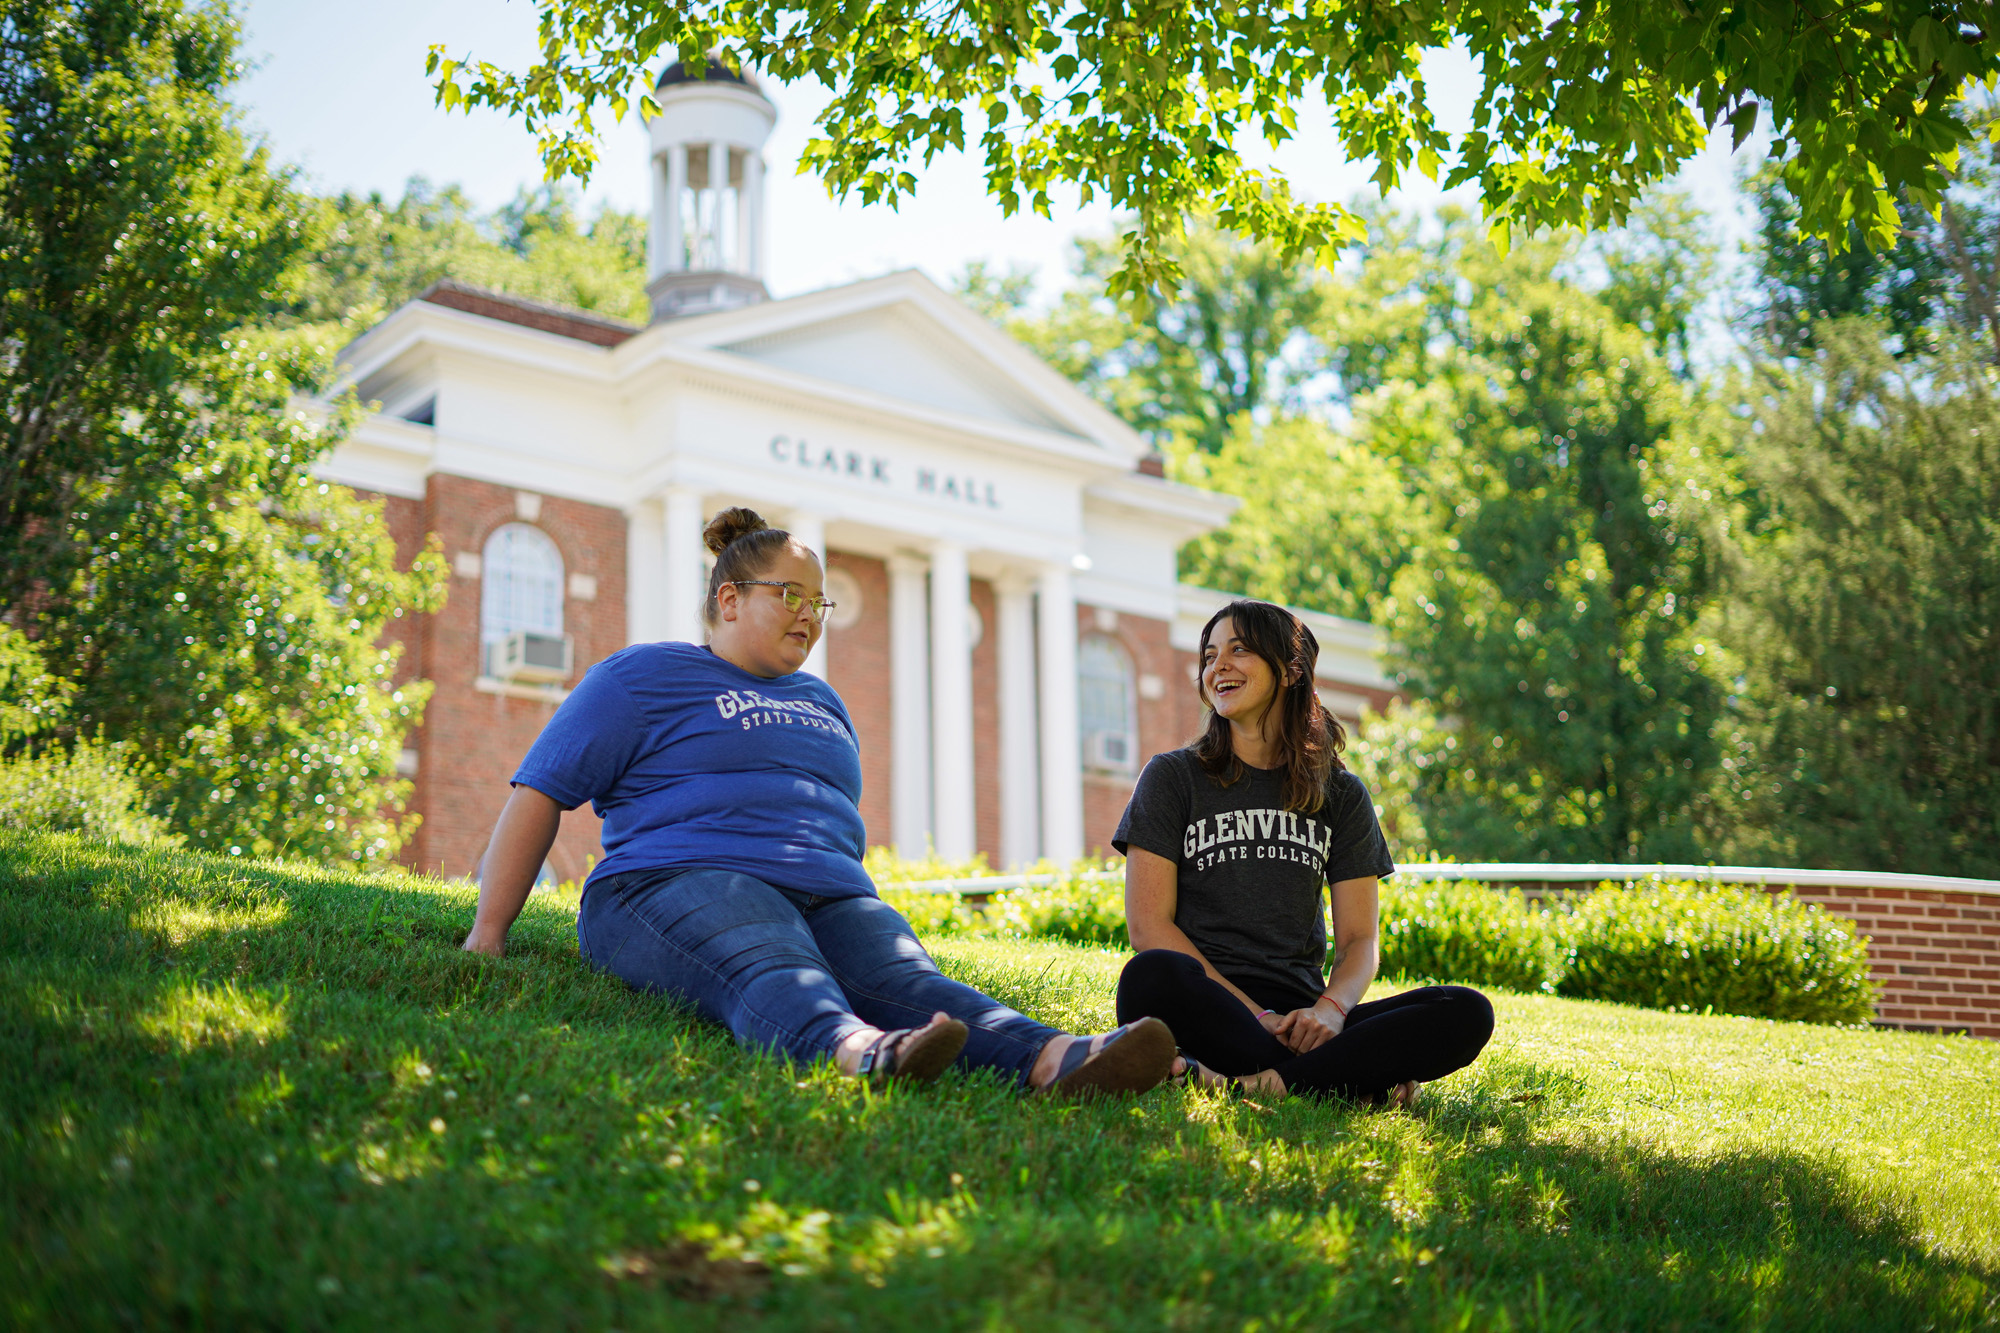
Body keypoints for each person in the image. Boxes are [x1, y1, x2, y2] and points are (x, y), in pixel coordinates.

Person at [460, 506, 1174, 1097]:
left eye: (819, 600)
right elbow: (540, 791)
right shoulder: (644, 675)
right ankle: (857, 1049)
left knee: (908, 979)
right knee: (765, 954)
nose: (810, 614)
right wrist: (488, 933)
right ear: (729, 599)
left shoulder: (821, 700)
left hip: (830, 898)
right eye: (790, 595)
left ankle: (1058, 1058)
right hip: (671, 884)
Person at [1113, 598, 1493, 1106]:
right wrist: (1260, 1017)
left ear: (1290, 670)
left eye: (1239, 649)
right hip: (1209, 1000)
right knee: (1149, 975)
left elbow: (1359, 940)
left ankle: (1257, 1082)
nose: (1217, 666)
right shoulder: (1173, 777)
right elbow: (1148, 927)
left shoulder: (1340, 793)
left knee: (1464, 1010)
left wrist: (1331, 1012)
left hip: (1306, 1015)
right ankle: (1346, 1084)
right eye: (1208, 655)